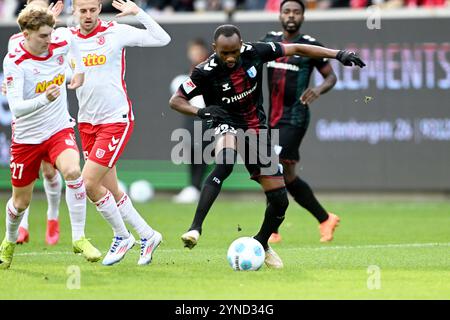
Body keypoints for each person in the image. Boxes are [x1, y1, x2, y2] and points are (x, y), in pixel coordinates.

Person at [169, 24, 365, 268]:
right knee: (225, 164)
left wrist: (337, 54)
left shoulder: (256, 51)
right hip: (225, 123)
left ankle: (261, 242)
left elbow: (296, 48)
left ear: (241, 46)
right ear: (214, 49)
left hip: (256, 129)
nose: (230, 58)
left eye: (234, 52)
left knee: (280, 199)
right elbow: (176, 100)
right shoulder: (204, 71)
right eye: (224, 53)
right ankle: (195, 228)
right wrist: (202, 111)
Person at [0, 5, 101, 269]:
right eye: (43, 36)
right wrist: (44, 98)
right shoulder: (14, 61)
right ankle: (9, 240)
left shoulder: (60, 39)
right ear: (26, 35)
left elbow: (73, 43)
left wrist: (78, 69)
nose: (49, 40)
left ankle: (79, 238)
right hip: (27, 137)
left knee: (72, 171)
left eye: (50, 33)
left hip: (58, 128)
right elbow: (17, 108)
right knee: (20, 203)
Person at [70, 0, 170, 266]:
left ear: (99, 9)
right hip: (86, 123)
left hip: (115, 120)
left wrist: (139, 13)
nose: (88, 15)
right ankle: (148, 235)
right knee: (109, 188)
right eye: (83, 10)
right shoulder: (66, 38)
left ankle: (121, 236)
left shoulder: (116, 32)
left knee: (88, 183)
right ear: (74, 11)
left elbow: (162, 38)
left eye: (93, 9)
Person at [261, 0, 340, 244]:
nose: (291, 16)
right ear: (280, 15)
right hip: (271, 117)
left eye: (296, 12)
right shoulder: (269, 41)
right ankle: (325, 218)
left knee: (272, 167)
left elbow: (331, 76)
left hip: (295, 117)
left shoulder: (311, 46)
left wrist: (318, 89)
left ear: (303, 16)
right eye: (287, 11)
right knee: (288, 176)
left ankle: (271, 229)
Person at [3, 0, 65, 246]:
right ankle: (23, 227)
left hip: (51, 116)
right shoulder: (14, 46)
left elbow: (68, 66)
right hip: (27, 119)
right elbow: (13, 79)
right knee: (25, 182)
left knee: (50, 170)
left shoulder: (56, 39)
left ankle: (53, 217)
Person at [171, 38, 210, 204]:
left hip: (207, 117)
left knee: (203, 151)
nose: (196, 54)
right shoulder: (185, 75)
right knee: (190, 150)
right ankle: (193, 187)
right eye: (193, 51)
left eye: (198, 51)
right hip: (191, 117)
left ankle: (196, 187)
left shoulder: (210, 71)